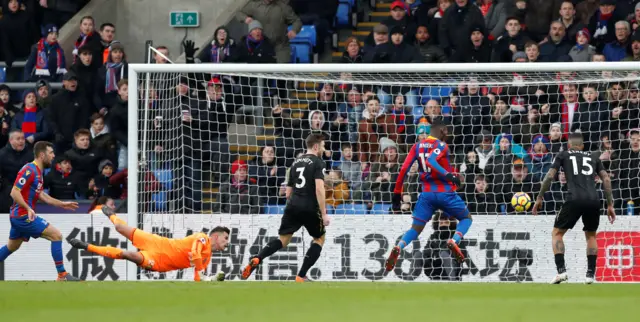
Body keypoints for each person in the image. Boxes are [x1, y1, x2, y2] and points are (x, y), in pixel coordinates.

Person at [241, 133, 331, 282]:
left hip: (292, 205)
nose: (323, 148)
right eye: (322, 145)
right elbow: (319, 189)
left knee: (283, 240)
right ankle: (301, 276)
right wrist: (324, 213)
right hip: (309, 206)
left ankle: (258, 258)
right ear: (315, 146)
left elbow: (287, 192)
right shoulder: (318, 162)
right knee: (319, 238)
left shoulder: (295, 163)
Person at [386, 119, 471, 271]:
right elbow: (431, 161)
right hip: (445, 193)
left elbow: (404, 169)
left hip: (426, 195)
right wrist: (449, 175)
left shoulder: (416, 147)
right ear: (441, 131)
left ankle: (399, 246)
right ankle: (454, 240)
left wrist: (397, 194)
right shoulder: (442, 145)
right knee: (466, 218)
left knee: (415, 229)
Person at [533, 133, 616, 284]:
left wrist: (539, 198)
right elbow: (606, 178)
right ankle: (590, 275)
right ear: (583, 145)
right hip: (593, 199)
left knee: (557, 233)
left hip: (574, 198)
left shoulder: (563, 154)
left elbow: (549, 176)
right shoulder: (593, 156)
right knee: (591, 235)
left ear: (569, 145)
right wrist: (610, 204)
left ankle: (561, 272)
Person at [70, 206, 230, 282]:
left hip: (159, 261)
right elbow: (195, 252)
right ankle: (112, 215)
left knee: (128, 255)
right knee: (120, 227)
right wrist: (202, 272)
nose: (227, 243)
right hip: (157, 242)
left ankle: (86, 246)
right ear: (215, 236)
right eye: (225, 238)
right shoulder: (202, 238)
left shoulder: (207, 258)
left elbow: (197, 278)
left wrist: (210, 280)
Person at [0, 141, 80, 281]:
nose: (53, 156)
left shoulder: (38, 172)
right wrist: (28, 208)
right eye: (51, 153)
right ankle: (62, 275)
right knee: (56, 235)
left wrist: (62, 204)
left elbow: (41, 195)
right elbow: (14, 192)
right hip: (23, 216)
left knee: (11, 247)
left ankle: (62, 275)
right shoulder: (29, 170)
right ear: (42, 155)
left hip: (20, 215)